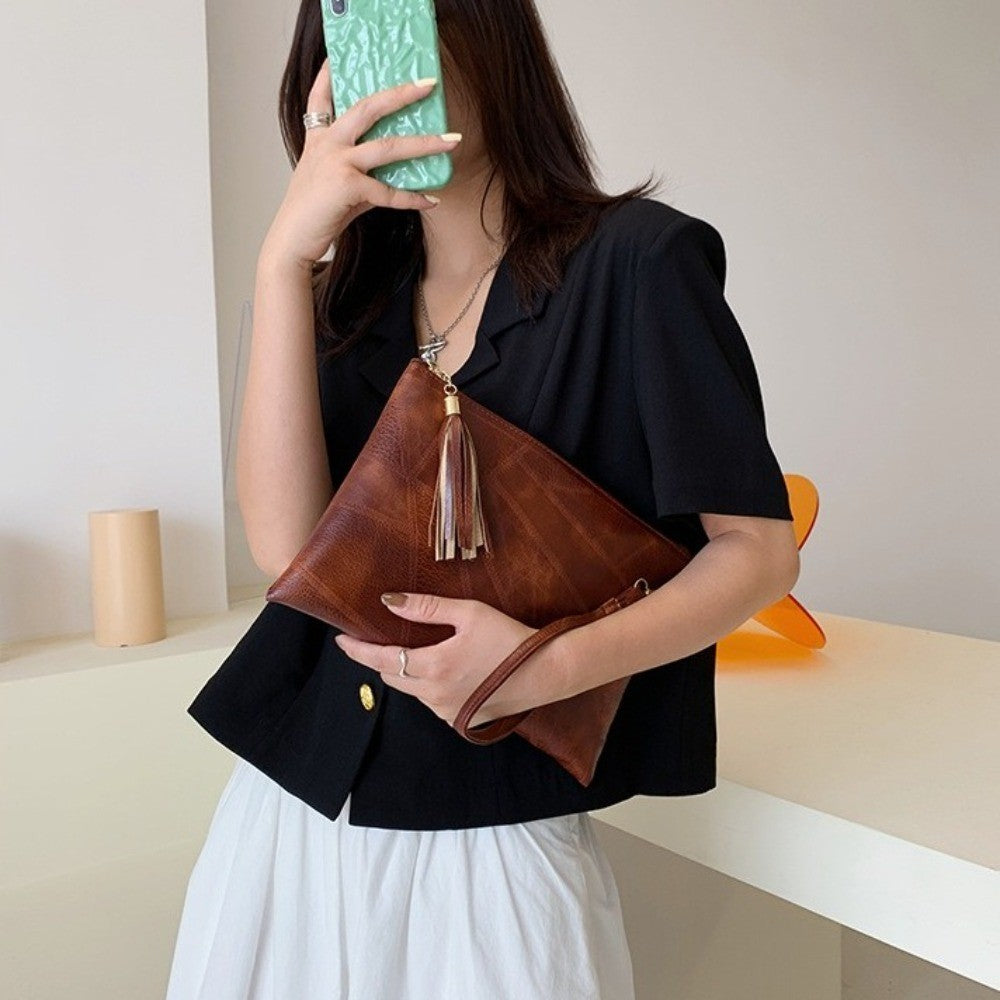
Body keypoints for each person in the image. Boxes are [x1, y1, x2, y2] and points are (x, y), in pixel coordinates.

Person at [165, 2, 800, 997]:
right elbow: (288, 551)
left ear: (484, 35)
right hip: (288, 821)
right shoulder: (343, 300)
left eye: (400, 27)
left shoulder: (639, 262)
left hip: (496, 837)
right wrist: (282, 263)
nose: (380, 79)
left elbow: (758, 552)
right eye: (350, 40)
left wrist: (538, 668)